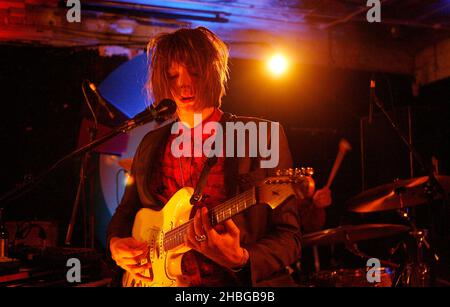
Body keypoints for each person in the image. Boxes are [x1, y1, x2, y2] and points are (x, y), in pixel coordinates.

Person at [107, 26, 331, 287]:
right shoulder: (150, 142)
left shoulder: (261, 136)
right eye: (172, 75)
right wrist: (116, 245)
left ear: (213, 72)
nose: (184, 84)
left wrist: (241, 259)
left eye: (195, 71)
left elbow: (289, 238)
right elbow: (125, 212)